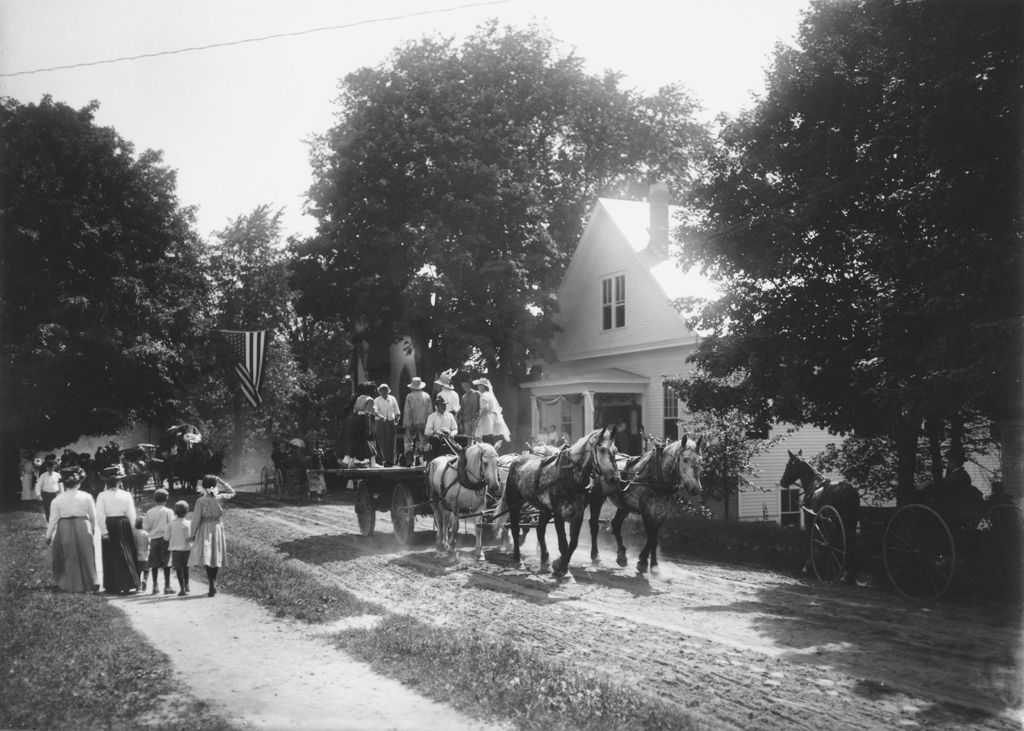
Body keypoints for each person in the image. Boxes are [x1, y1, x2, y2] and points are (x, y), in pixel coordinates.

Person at [44, 466, 98, 593]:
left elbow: (53, 520)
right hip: (83, 524)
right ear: (78, 483)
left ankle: (72, 583)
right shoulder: (86, 496)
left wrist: (48, 536)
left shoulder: (57, 500)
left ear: (65, 484)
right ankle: (91, 581)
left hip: (64, 526)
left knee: (68, 554)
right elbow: (93, 515)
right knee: (87, 553)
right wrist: (93, 528)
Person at [189, 474, 236, 597]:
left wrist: (192, 533)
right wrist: (222, 482)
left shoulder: (200, 501)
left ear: (203, 486)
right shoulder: (220, 498)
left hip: (205, 527)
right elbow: (232, 492)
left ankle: (211, 582)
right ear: (215, 486)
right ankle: (213, 581)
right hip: (217, 527)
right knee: (215, 554)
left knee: (208, 554)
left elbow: (195, 519)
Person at [95, 464, 140, 594]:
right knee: (126, 551)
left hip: (110, 524)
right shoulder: (126, 494)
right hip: (123, 524)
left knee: (112, 554)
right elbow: (131, 513)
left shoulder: (102, 495)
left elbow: (100, 515)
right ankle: (129, 582)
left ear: (106, 482)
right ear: (119, 481)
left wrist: (104, 531)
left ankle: (113, 585)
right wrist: (131, 528)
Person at [143, 489, 175, 595]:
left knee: (154, 563)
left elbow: (146, 527)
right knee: (166, 563)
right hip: (165, 539)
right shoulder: (168, 511)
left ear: (154, 499)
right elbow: (171, 524)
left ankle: (155, 586)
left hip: (154, 539)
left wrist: (152, 531)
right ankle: (167, 586)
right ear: (166, 499)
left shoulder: (149, 512)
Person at [341, 382, 377, 467]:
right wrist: (368, 427)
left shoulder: (359, 398)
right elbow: (367, 413)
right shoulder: (370, 399)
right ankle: (372, 462)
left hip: (354, 419)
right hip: (363, 419)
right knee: (369, 440)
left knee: (356, 440)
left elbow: (355, 410)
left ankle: (349, 460)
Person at [473, 377, 511, 446]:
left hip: (486, 418)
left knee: (484, 437)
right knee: (487, 437)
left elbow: (485, 409)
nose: (478, 387)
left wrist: (478, 419)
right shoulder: (489, 394)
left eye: (479, 385)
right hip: (491, 418)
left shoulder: (484, 395)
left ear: (484, 387)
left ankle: (487, 452)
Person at [403, 377, 432, 462]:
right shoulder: (427, 396)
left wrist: (407, 424)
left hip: (412, 422)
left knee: (408, 441)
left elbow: (407, 411)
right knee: (424, 441)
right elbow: (430, 411)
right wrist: (430, 424)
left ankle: (409, 460)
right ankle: (424, 460)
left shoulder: (409, 396)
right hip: (424, 422)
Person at [372, 383, 401, 467]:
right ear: (380, 391)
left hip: (390, 422)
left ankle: (390, 461)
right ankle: (380, 461)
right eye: (382, 389)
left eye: (385, 389)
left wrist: (397, 420)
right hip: (380, 422)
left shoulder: (392, 398)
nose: (384, 391)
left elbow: (397, 411)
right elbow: (375, 411)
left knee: (391, 442)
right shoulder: (377, 400)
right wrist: (381, 417)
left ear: (388, 390)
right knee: (380, 441)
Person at [168, 500, 192, 595]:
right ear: (186, 511)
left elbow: (166, 537)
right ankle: (187, 584)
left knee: (178, 569)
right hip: (187, 549)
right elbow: (190, 537)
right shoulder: (189, 523)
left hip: (176, 550)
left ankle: (181, 588)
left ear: (175, 512)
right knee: (186, 567)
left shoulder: (171, 524)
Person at [37, 456, 62, 521]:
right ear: (47, 468)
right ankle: (48, 522)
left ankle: (56, 521)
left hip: (55, 494)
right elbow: (38, 485)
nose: (50, 470)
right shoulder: (43, 476)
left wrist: (62, 494)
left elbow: (60, 485)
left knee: (55, 508)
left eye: (52, 468)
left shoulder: (57, 475)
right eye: (49, 468)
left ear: (54, 468)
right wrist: (38, 494)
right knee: (47, 509)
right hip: (46, 495)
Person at [134, 517, 151, 592]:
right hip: (145, 555)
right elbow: (149, 543)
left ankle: (138, 587)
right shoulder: (146, 534)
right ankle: (145, 579)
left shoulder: (134, 533)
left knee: (138, 571)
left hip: (137, 555)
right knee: (146, 570)